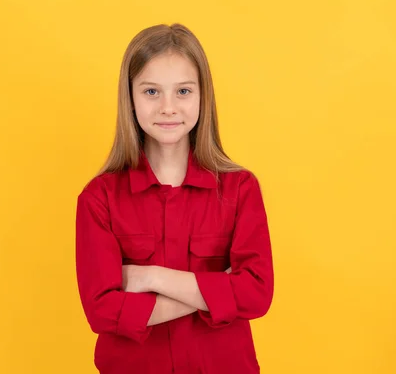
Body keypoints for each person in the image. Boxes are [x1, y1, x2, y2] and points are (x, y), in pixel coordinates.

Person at [75, 23, 274, 374]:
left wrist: (151, 277)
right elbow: (102, 311)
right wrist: (220, 290)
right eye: (151, 92)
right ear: (130, 98)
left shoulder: (240, 189)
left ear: (202, 96)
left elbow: (256, 294)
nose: (168, 107)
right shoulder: (99, 198)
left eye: (183, 91)